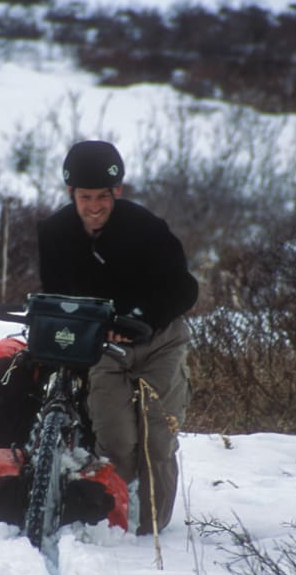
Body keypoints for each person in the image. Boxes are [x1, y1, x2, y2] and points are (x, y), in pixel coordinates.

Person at [37, 140, 199, 534]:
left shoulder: (147, 229)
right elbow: (60, 297)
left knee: (157, 440)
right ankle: (117, 524)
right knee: (116, 439)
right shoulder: (55, 234)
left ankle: (153, 530)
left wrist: (140, 317)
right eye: (84, 196)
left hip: (160, 340)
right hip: (103, 348)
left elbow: (185, 289)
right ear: (71, 194)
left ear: (117, 192)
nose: (94, 206)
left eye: (102, 197)